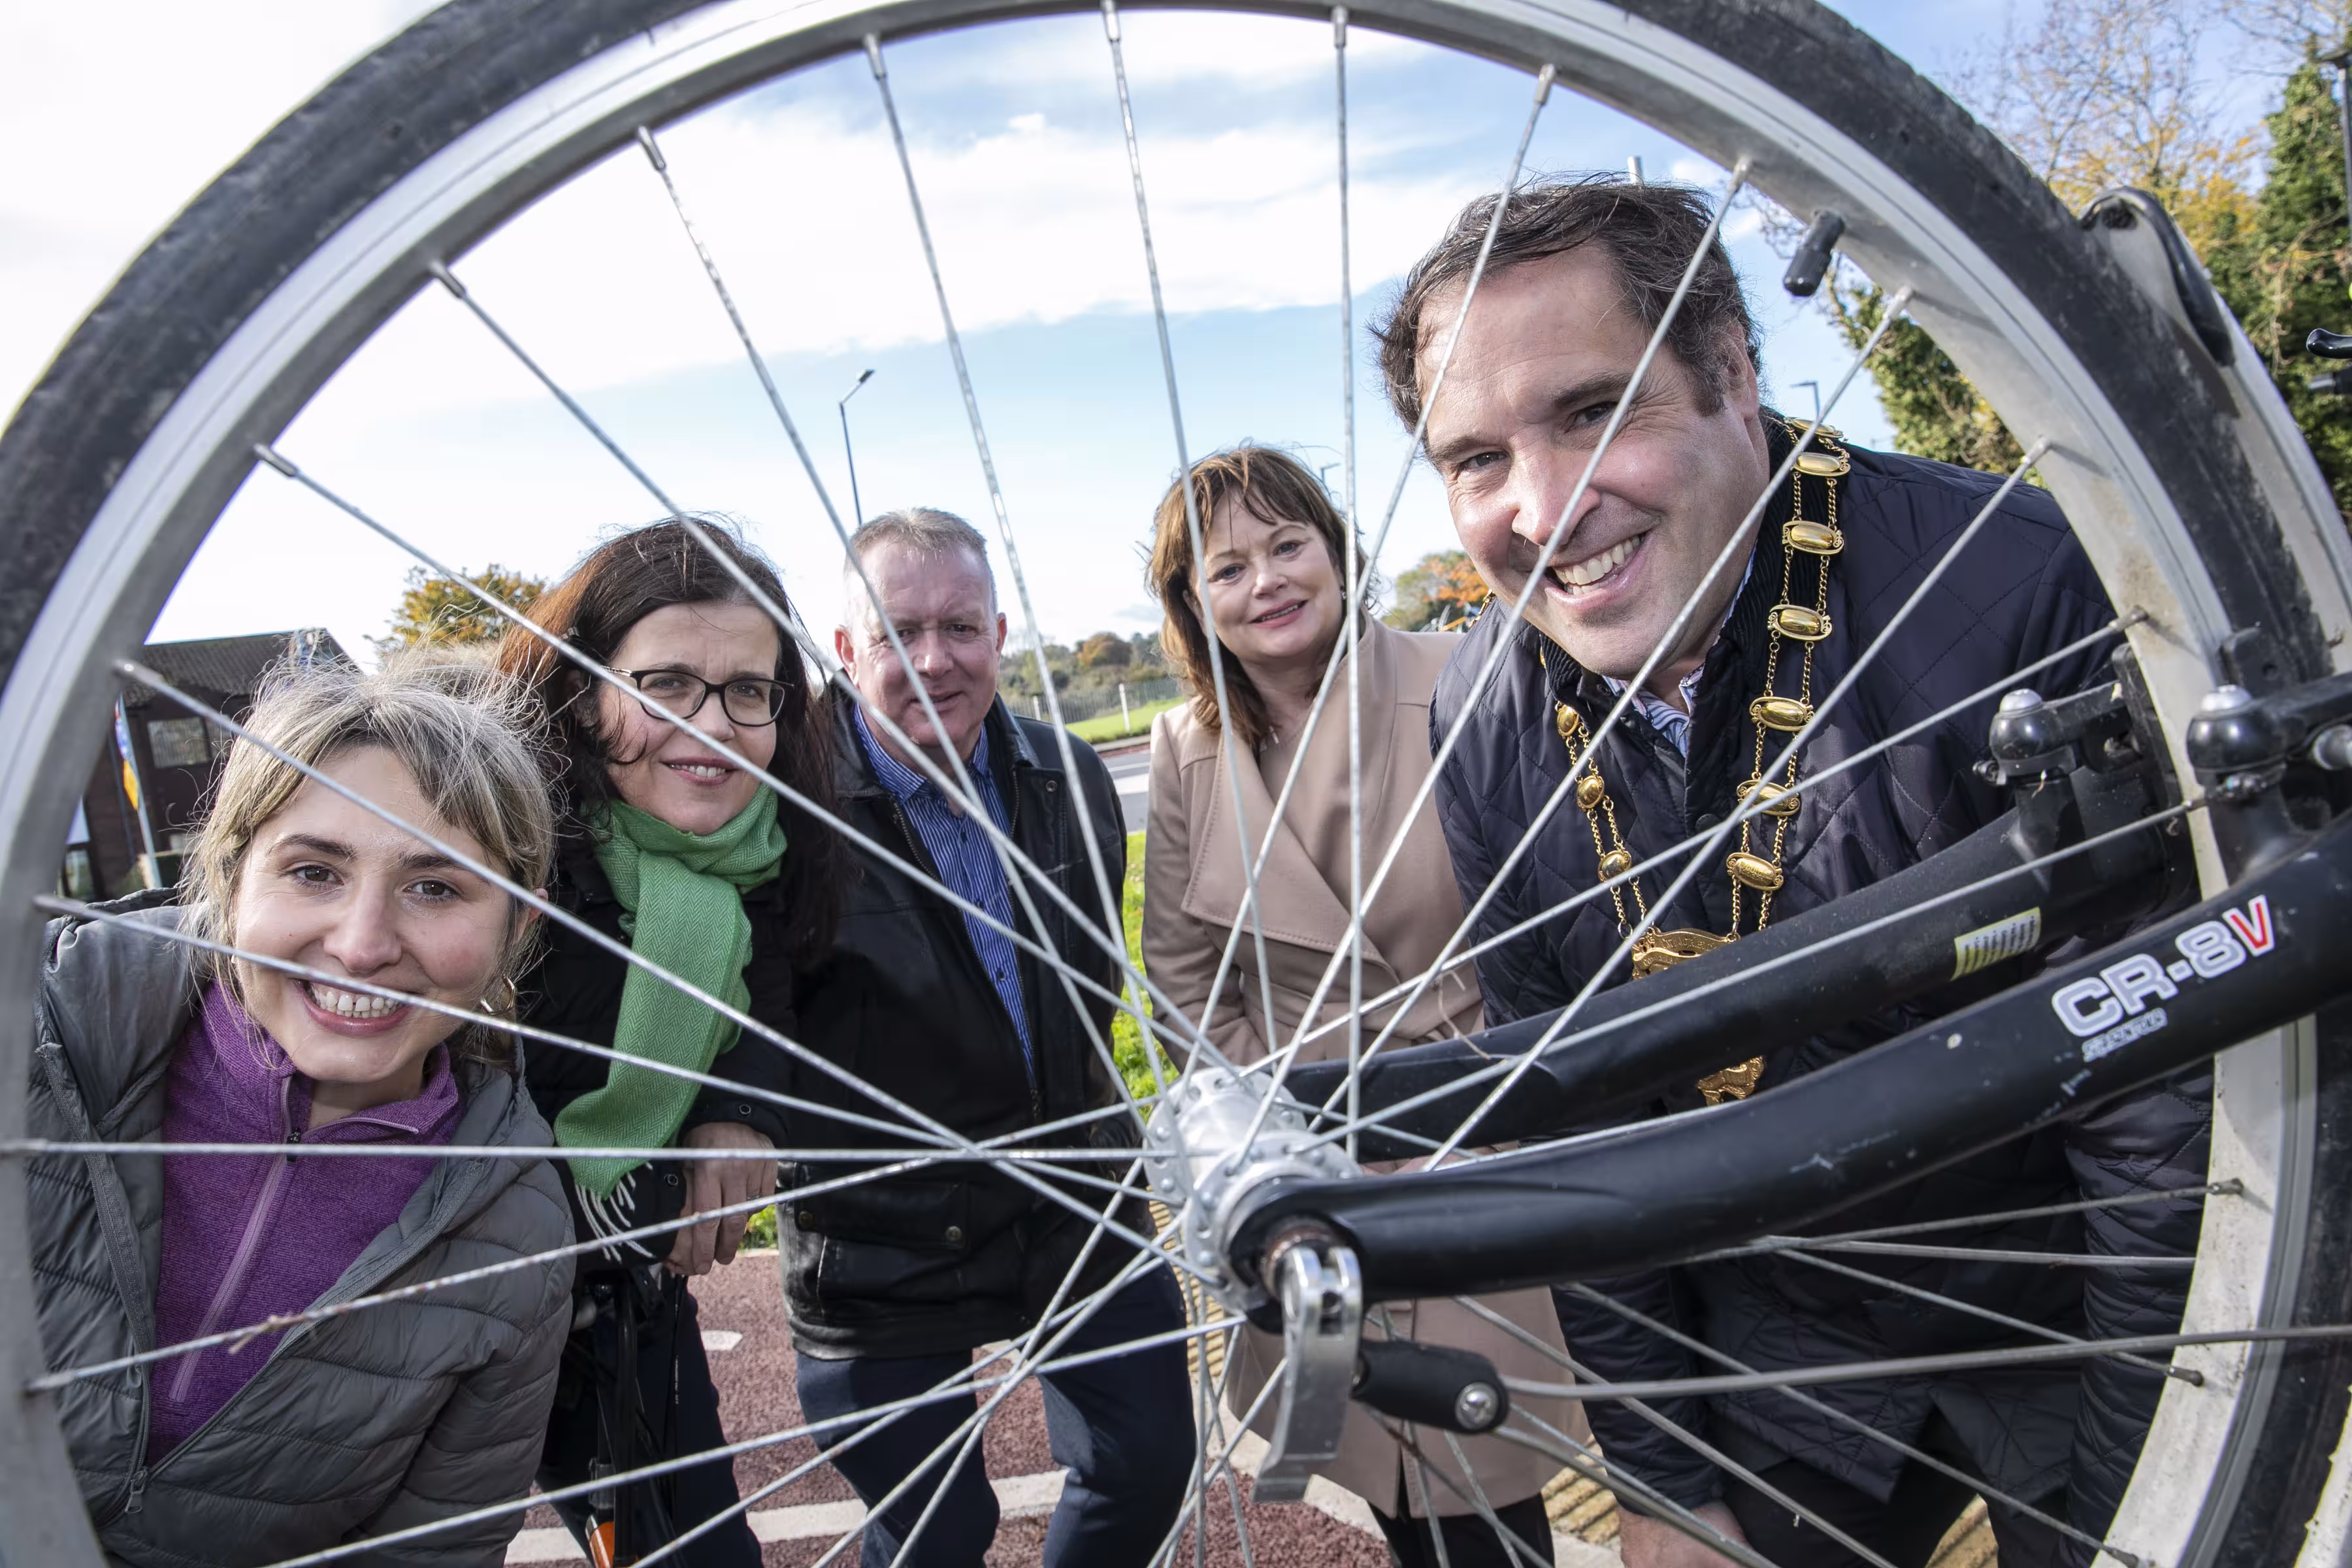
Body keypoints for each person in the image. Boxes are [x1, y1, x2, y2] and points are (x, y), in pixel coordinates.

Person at [1376, 175, 2206, 1568]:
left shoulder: (2015, 586)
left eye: (1594, 409)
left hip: (2069, 1311)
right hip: (1775, 1362)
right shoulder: (1480, 713)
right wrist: (1661, 1477)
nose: (1544, 507)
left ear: (1733, 375)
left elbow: (2159, 1122)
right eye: (1475, 457)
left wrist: (2163, 1474)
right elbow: (1578, 1127)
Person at [28, 653, 574, 1566]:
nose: (360, 946)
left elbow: (426, 1555)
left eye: (434, 887)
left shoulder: (517, 1231)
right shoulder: (40, 1042)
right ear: (231, 879)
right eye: (315, 872)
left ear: (519, 928)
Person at [1140, 444, 1581, 1567]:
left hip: (1488, 1121)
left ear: (1337, 553)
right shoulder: (1183, 748)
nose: (1268, 581)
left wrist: (1489, 1098)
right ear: (1194, 605)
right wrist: (1301, 1121)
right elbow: (1186, 986)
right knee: (1394, 1477)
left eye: (1289, 545)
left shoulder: (1470, 668)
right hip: (1316, 1154)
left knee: (1491, 1467)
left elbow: (1561, 896)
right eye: (1227, 568)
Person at [788, 506, 1192, 1567]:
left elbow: (1093, 983)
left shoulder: (1071, 777)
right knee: (936, 1531)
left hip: (1075, 1196)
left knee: (1148, 1459)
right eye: (897, 634)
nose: (934, 660)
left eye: (961, 628)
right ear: (844, 651)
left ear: (1001, 632)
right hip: (884, 1235)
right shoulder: (786, 813)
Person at [496, 518, 844, 1566]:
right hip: (460, 1279)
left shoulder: (753, 850)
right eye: (665, 686)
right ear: (583, 689)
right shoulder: (500, 849)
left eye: (750, 691)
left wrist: (737, 1111)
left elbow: (760, 992)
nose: (712, 725)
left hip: (623, 1294)